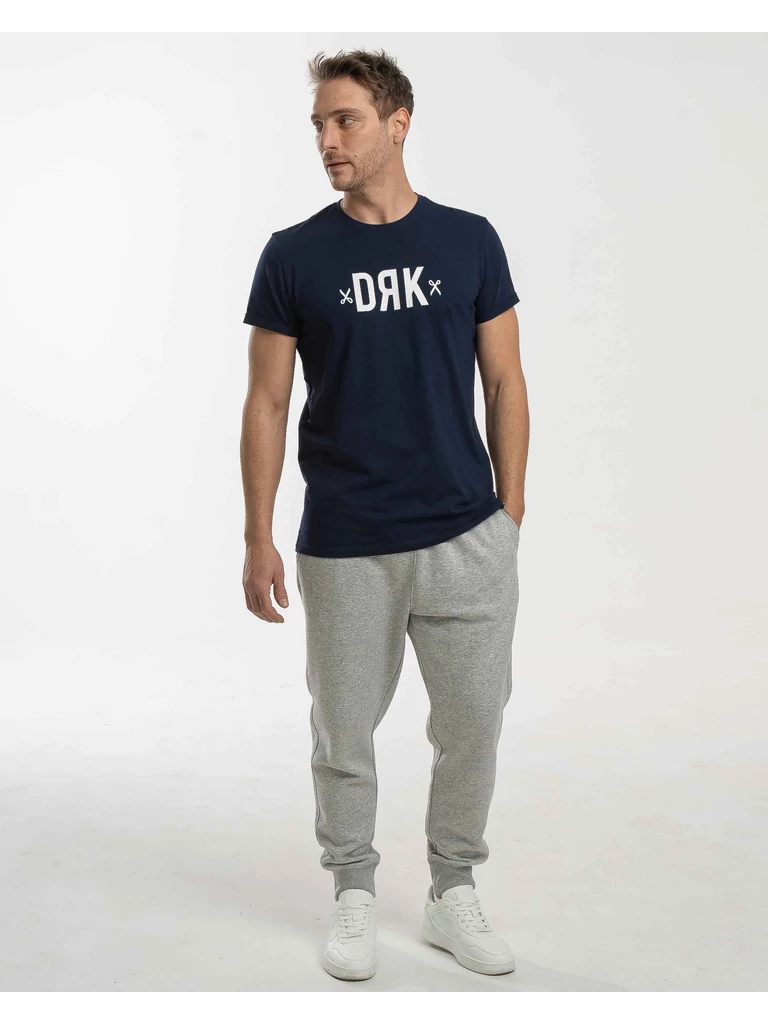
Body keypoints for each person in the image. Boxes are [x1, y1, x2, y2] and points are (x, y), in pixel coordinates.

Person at [240, 48, 529, 982]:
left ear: (398, 124)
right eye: (319, 125)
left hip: (466, 535)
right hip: (347, 542)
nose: (328, 140)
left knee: (474, 725)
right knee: (345, 732)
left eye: (346, 121)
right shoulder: (294, 255)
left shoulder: (469, 240)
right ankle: (354, 890)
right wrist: (256, 534)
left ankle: (453, 890)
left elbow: (505, 380)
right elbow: (267, 404)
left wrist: (509, 512)